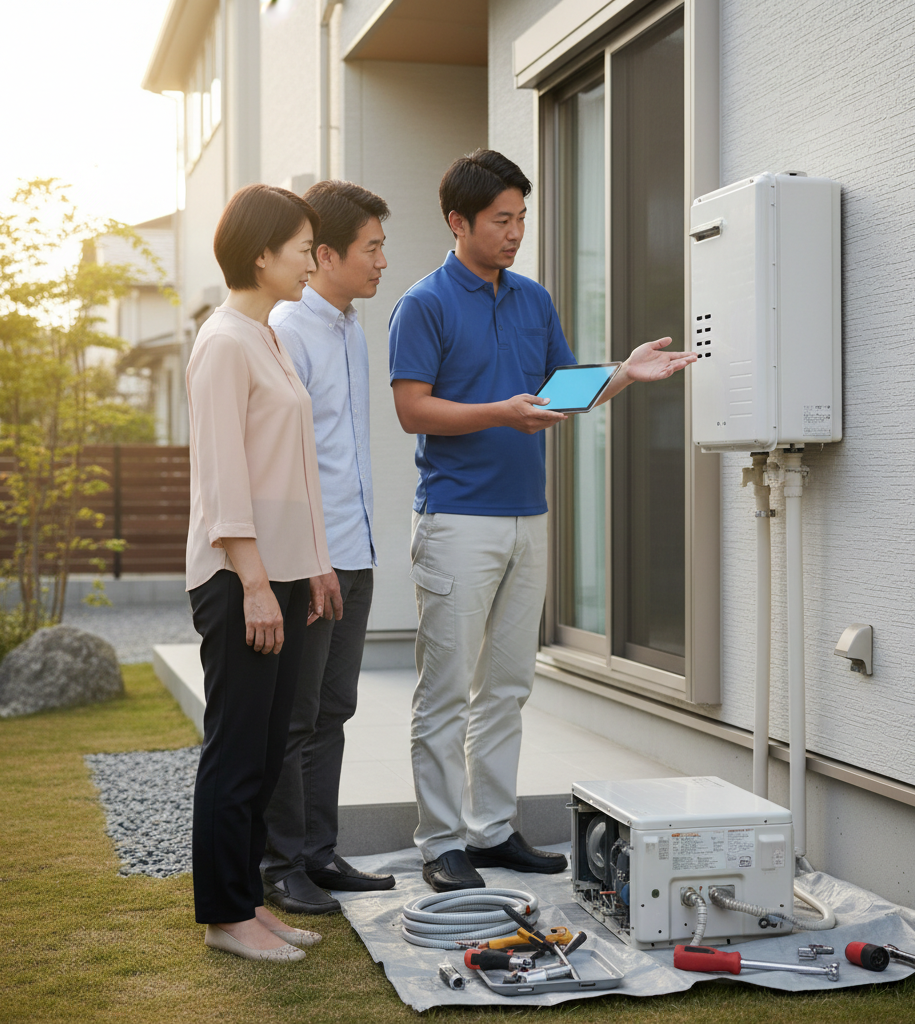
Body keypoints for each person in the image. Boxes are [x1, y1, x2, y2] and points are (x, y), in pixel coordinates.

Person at [388, 149, 698, 892]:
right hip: (456, 520)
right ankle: (440, 843)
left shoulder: (533, 300)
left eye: (522, 217)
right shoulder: (423, 303)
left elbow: (564, 392)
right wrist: (499, 411)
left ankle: (490, 831)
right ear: (458, 222)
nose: (516, 231)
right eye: (502, 219)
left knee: (507, 684)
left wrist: (623, 373)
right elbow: (410, 409)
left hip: (530, 517)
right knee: (445, 688)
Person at [186, 183, 342, 961]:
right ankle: (224, 915)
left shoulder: (267, 338)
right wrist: (252, 583)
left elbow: (294, 471)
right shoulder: (222, 342)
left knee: (270, 747)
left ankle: (248, 902)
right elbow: (224, 481)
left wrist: (312, 567)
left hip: (279, 574)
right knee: (238, 749)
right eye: (302, 246)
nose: (311, 260)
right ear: (260, 254)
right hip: (236, 579)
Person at [261, 180, 396, 914]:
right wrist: (314, 561)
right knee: (297, 715)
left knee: (335, 708)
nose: (382, 260)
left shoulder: (351, 327)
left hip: (356, 548)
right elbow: (288, 462)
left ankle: (318, 852)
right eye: (372, 247)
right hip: (312, 558)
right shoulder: (287, 329)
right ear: (326, 254)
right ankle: (281, 863)